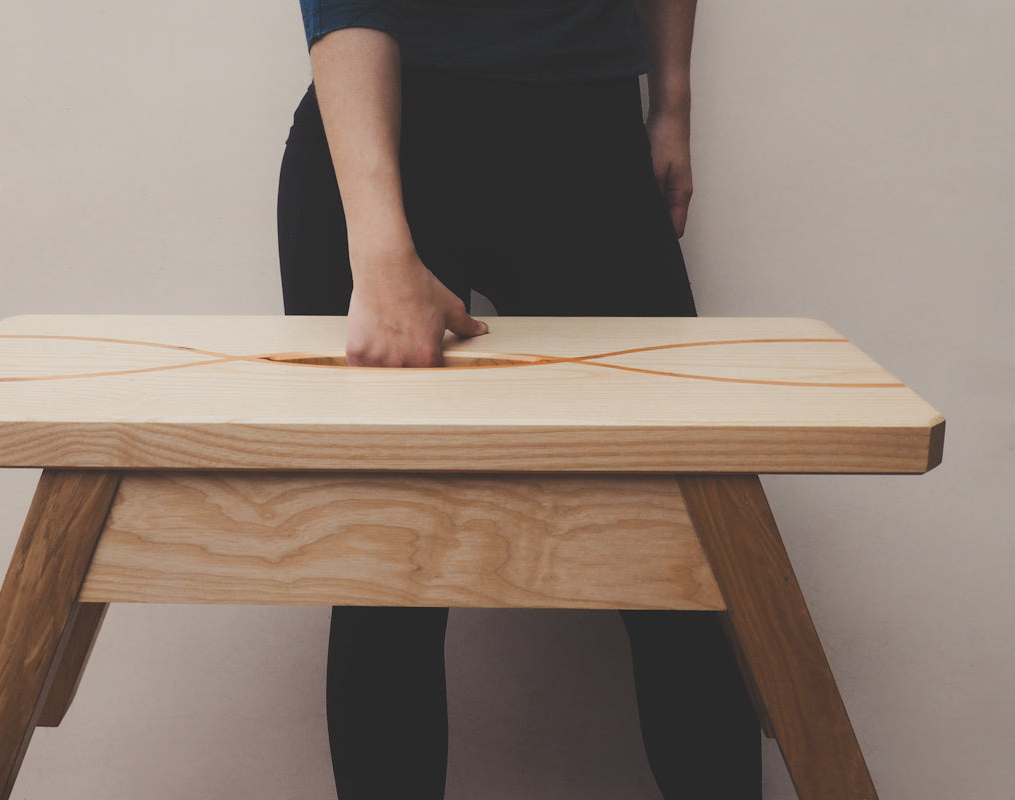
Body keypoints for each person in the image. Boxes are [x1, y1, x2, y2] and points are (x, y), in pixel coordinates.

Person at [276, 1, 762, 798]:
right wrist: (380, 246)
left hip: (588, 126)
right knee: (386, 570)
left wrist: (671, 104)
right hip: (392, 125)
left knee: (681, 559)